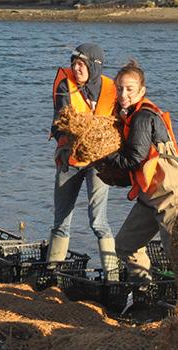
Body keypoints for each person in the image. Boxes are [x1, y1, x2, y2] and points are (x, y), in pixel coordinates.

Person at [96, 60, 178, 283]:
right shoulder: (127, 114)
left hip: (170, 197)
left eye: (130, 89)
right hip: (149, 197)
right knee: (125, 246)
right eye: (119, 88)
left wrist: (101, 156)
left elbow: (134, 159)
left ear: (142, 91)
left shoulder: (143, 117)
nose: (123, 94)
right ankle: (144, 289)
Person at [49, 43, 118, 278]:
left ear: (94, 65)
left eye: (82, 64)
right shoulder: (64, 85)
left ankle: (113, 275)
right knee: (61, 220)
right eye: (74, 63)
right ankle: (52, 272)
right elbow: (62, 123)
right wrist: (68, 147)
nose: (76, 68)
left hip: (99, 164)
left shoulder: (112, 88)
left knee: (98, 222)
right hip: (70, 161)